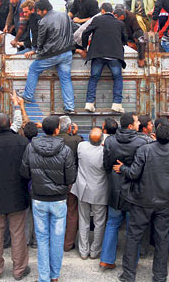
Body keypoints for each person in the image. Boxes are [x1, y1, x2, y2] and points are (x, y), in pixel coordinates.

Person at [114, 123, 169, 282]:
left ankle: (128, 275)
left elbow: (133, 173)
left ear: (156, 135)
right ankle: (160, 276)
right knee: (162, 239)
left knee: (133, 237)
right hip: (164, 201)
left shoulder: (145, 149)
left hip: (142, 200)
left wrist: (122, 168)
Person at [20, 116, 76, 282]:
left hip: (38, 199)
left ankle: (43, 277)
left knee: (42, 239)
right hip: (59, 200)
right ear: (58, 129)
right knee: (57, 239)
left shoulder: (31, 148)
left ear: (42, 129)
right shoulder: (65, 150)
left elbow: (24, 173)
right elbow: (71, 177)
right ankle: (54, 276)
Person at [0, 113, 30, 280]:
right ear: (10, 124)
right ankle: (19, 270)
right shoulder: (23, 142)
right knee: (17, 234)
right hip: (18, 196)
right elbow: (27, 171)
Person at [100, 112, 146, 270]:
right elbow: (143, 169)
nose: (139, 122)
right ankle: (132, 261)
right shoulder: (142, 142)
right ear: (131, 126)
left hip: (115, 187)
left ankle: (106, 259)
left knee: (112, 223)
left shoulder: (110, 141)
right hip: (134, 189)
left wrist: (116, 171)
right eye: (137, 121)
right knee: (133, 227)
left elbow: (106, 164)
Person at [21, 0, 76, 113]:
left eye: (38, 11)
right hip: (67, 52)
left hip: (52, 54)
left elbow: (40, 41)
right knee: (65, 79)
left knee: (33, 69)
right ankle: (70, 106)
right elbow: (72, 30)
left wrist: (38, 51)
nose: (37, 13)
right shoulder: (64, 15)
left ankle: (28, 95)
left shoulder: (43, 21)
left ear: (44, 10)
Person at [81, 2, 127, 113]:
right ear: (112, 12)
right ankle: (116, 104)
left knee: (94, 78)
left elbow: (85, 33)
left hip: (98, 54)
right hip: (114, 55)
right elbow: (125, 39)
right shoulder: (119, 23)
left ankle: (89, 103)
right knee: (117, 78)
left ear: (102, 11)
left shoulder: (97, 20)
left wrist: (84, 47)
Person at [71, 127, 108, 260]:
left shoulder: (81, 146)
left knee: (84, 220)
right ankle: (95, 251)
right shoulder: (105, 152)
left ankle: (83, 250)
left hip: (83, 189)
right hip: (99, 191)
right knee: (99, 222)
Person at [57, 116, 83, 253]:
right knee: (72, 213)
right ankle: (68, 244)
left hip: (53, 184)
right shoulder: (76, 140)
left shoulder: (50, 141)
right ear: (70, 128)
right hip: (71, 183)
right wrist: (76, 133)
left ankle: (55, 242)